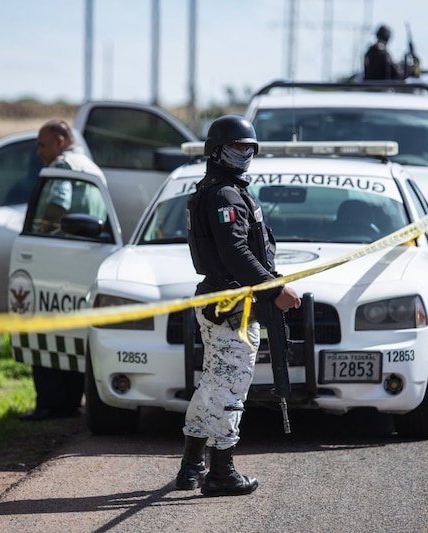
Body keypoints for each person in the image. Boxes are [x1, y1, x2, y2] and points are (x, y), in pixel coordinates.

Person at [175, 115, 301, 497]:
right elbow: (235, 253)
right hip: (233, 305)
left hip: (225, 301)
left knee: (212, 384)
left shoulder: (222, 190)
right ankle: (221, 473)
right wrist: (272, 290)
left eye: (250, 148)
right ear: (216, 151)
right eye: (237, 147)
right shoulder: (225, 195)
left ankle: (192, 464)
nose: (245, 154)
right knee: (231, 388)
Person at [19, 119, 106, 420]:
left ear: (59, 140)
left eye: (42, 145)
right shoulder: (90, 167)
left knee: (44, 327)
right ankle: (69, 403)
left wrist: (41, 227)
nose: (39, 152)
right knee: (72, 335)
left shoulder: (63, 167)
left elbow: (58, 204)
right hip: (84, 261)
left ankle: (49, 404)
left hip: (57, 260)